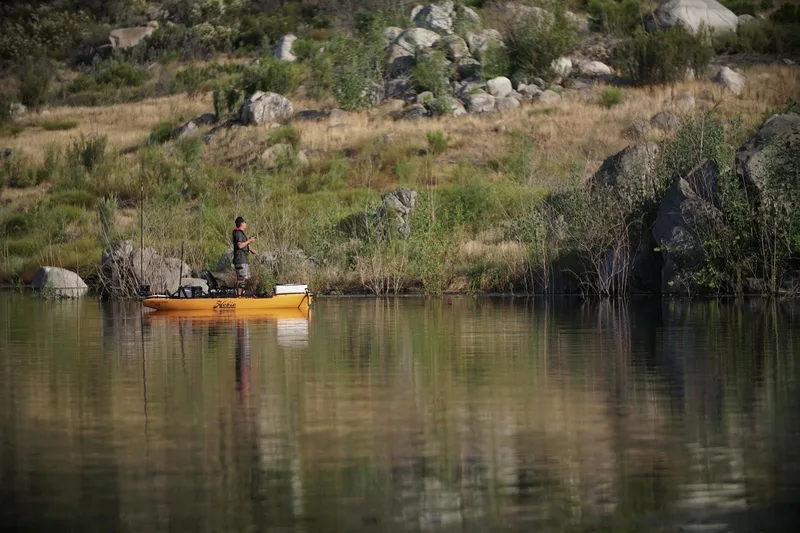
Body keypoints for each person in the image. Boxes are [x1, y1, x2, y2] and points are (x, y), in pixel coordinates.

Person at [232, 216, 257, 297]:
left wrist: (250, 249)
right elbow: (240, 245)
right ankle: (239, 296)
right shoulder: (238, 232)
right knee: (241, 278)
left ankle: (240, 294)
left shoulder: (241, 233)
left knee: (244, 278)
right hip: (240, 259)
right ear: (242, 224)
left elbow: (244, 245)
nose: (246, 224)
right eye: (245, 222)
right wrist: (249, 240)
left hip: (244, 259)